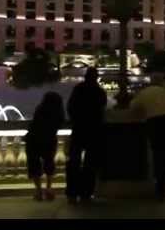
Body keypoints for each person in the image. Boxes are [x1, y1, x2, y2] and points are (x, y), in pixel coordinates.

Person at [130, 71, 165, 201]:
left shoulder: (145, 93)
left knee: (157, 155)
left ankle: (158, 186)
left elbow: (133, 107)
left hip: (153, 124)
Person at [66, 67, 107, 204]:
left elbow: (70, 107)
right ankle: (86, 193)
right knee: (90, 164)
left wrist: (75, 120)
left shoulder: (78, 89)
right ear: (96, 77)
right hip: (94, 131)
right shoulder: (100, 92)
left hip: (79, 128)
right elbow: (102, 109)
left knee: (74, 162)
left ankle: (72, 193)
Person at [25, 92, 65, 202]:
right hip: (49, 140)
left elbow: (34, 124)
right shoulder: (58, 113)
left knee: (34, 164)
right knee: (49, 163)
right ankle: (48, 189)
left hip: (34, 139)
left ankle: (38, 191)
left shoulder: (40, 109)